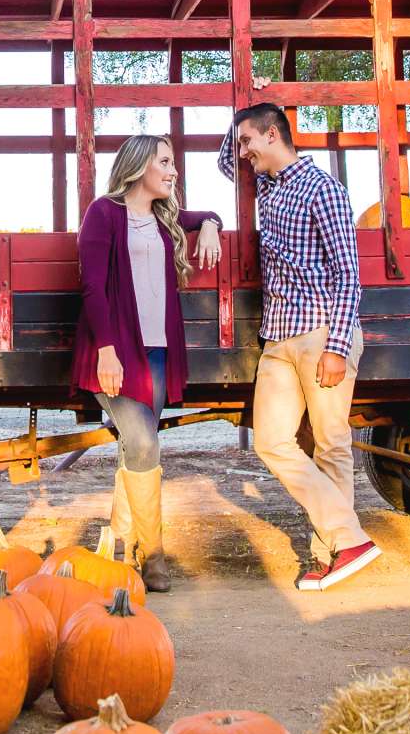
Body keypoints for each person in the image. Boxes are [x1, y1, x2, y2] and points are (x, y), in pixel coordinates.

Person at [220, 103, 379, 590]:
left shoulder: (323, 190)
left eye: (249, 141)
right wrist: (243, 112)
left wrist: (336, 347)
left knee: (331, 446)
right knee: (271, 441)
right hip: (279, 336)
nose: (242, 152)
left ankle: (329, 553)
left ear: (272, 135)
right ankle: (350, 538)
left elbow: (348, 273)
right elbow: (225, 161)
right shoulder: (267, 185)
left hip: (320, 333)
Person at [72, 132, 223, 591]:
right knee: (143, 443)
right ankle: (153, 553)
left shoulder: (164, 217)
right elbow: (93, 287)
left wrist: (212, 223)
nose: (173, 171)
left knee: (137, 448)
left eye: (173, 162)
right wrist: (106, 351)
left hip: (157, 351)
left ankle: (119, 546)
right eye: (165, 162)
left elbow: (205, 215)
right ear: (139, 166)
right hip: (114, 351)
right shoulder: (104, 213)